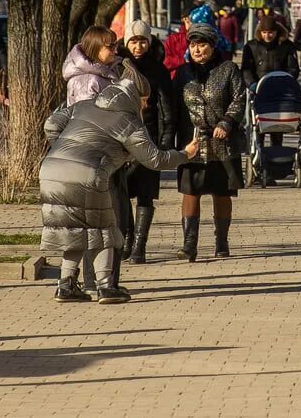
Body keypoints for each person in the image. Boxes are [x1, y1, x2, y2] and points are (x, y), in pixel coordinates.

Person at [39, 70, 200, 303]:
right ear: (135, 96)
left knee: (75, 230)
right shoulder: (129, 122)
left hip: (51, 170)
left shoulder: (85, 105)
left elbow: (51, 124)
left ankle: (66, 285)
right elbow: (155, 160)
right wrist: (186, 154)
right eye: (145, 101)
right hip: (87, 175)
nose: (145, 107)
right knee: (107, 229)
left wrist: (64, 149)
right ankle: (105, 286)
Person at [173, 21, 247, 261]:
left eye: (202, 44)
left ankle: (222, 241)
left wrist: (226, 123)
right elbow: (174, 105)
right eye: (193, 45)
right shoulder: (184, 73)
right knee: (190, 191)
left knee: (222, 192)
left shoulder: (228, 69)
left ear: (213, 46)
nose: (197, 50)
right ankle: (189, 244)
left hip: (222, 143)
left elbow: (239, 99)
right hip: (193, 141)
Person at [121, 20, 179, 263]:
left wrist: (164, 143)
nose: (138, 46)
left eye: (143, 40)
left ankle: (139, 246)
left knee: (145, 194)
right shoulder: (118, 68)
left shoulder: (158, 70)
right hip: (122, 139)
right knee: (121, 193)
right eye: (133, 41)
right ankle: (126, 239)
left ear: (150, 42)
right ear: (126, 43)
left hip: (150, 138)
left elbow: (168, 111)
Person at [63, 25, 121, 105]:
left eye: (116, 46)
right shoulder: (88, 81)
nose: (116, 51)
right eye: (111, 47)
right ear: (95, 47)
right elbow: (85, 115)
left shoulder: (108, 72)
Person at [240, 16, 298, 86]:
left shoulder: (287, 46)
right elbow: (246, 69)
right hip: (258, 86)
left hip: (281, 87)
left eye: (270, 32)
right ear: (260, 32)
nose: (267, 36)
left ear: (276, 31)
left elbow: (293, 68)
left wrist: (286, 82)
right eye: (264, 32)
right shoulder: (251, 46)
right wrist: (251, 84)